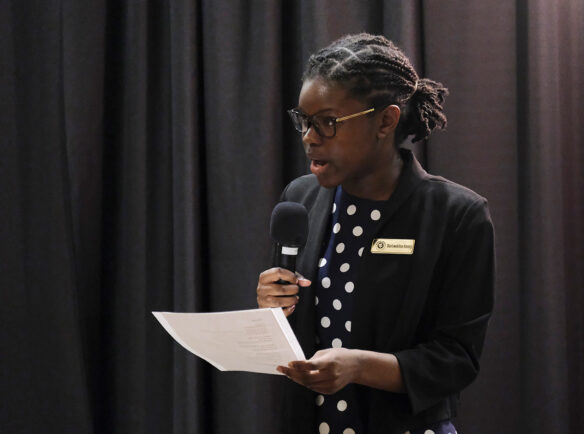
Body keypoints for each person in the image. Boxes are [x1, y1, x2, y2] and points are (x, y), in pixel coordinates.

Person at [256, 33, 494, 434]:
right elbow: (298, 333)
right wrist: (274, 303)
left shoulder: (457, 214)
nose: (309, 137)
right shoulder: (299, 198)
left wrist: (359, 367)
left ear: (386, 120)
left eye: (328, 122)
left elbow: (457, 359)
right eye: (304, 120)